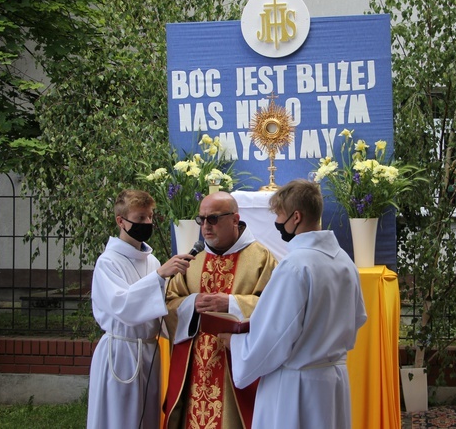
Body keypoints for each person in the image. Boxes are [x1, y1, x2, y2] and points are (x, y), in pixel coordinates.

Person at [220, 179, 367, 429]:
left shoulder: (296, 265)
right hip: (333, 380)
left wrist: (234, 343)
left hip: (297, 386)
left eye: (278, 214)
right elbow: (358, 318)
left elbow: (273, 336)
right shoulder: (344, 261)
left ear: (296, 217)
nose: (276, 222)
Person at [163, 191, 278, 429]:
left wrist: (231, 303)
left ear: (235, 219)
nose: (205, 226)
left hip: (236, 365)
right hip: (196, 367)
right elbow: (169, 304)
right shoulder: (192, 261)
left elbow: (276, 307)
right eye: (201, 220)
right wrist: (191, 304)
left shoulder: (261, 258)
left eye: (213, 219)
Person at [87, 189, 192, 429]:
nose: (147, 222)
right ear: (121, 221)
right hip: (121, 352)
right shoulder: (108, 262)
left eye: (150, 216)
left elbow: (162, 306)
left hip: (148, 350)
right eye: (141, 217)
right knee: (119, 419)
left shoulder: (151, 260)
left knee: (148, 417)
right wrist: (158, 276)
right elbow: (122, 304)